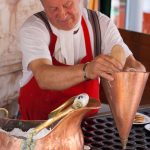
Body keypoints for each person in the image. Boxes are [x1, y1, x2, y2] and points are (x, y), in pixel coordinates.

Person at [18, 0, 146, 120]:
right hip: (38, 129)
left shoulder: (100, 24)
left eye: (67, 5)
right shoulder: (33, 28)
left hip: (87, 127)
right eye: (53, 9)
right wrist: (88, 70)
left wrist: (132, 71)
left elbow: (132, 63)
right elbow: (44, 77)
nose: (62, 14)